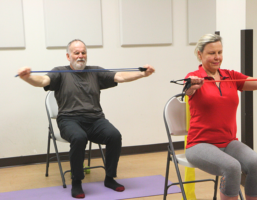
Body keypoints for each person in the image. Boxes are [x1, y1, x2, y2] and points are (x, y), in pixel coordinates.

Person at [18, 39, 155, 199]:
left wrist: (142, 73)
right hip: (68, 120)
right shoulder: (60, 72)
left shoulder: (95, 71)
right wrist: (27, 77)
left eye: (83, 52)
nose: (80, 56)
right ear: (68, 56)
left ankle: (110, 179)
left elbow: (120, 77)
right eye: (76, 53)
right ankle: (76, 182)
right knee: (78, 137)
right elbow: (43, 80)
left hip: (95, 120)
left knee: (114, 136)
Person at [184, 33, 257, 200]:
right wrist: (192, 85)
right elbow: (188, 90)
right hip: (199, 145)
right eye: (211, 53)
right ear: (199, 54)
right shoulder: (194, 77)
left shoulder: (229, 76)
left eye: (220, 52)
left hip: (228, 142)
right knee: (231, 167)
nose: (217, 57)